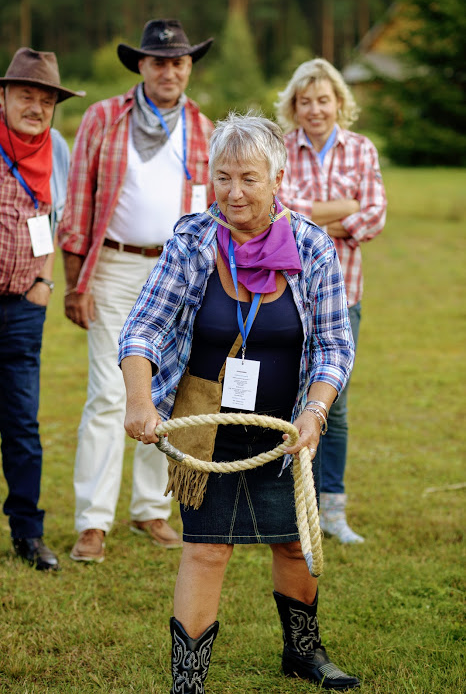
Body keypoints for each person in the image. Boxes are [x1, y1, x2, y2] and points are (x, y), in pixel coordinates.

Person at [119, 113, 359, 692]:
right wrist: (139, 401)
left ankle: (303, 652)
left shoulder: (312, 246)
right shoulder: (193, 241)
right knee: (207, 550)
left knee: (294, 546)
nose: (234, 192)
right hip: (207, 431)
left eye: (249, 178)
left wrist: (314, 413)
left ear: (277, 179)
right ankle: (188, 680)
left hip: (286, 429)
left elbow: (334, 345)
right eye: (223, 177)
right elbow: (143, 328)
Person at [58, 19, 214, 564]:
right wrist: (75, 282)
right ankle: (92, 521)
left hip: (177, 274)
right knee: (109, 393)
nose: (170, 71)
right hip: (114, 267)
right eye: (159, 62)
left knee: (166, 391)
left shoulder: (203, 127)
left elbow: (215, 210)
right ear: (142, 66)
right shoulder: (103, 117)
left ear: (189, 67)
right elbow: (78, 200)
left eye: (179, 62)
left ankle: (151, 509)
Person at [277, 58, 387, 544]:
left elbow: (376, 213)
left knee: (331, 403)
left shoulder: (361, 149)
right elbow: (279, 211)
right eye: (305, 101)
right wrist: (344, 209)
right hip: (287, 293)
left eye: (323, 100)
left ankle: (332, 510)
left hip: (345, 294)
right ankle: (288, 505)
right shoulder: (280, 148)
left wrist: (311, 217)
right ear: (293, 106)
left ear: (339, 102)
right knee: (284, 396)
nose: (315, 109)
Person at [0, 48, 84, 570]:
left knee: (22, 426)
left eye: (46, 100)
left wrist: (45, 281)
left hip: (25, 306)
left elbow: (53, 218)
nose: (36, 107)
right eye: (26, 95)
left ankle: (28, 534)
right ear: (4, 96)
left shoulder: (56, 148)